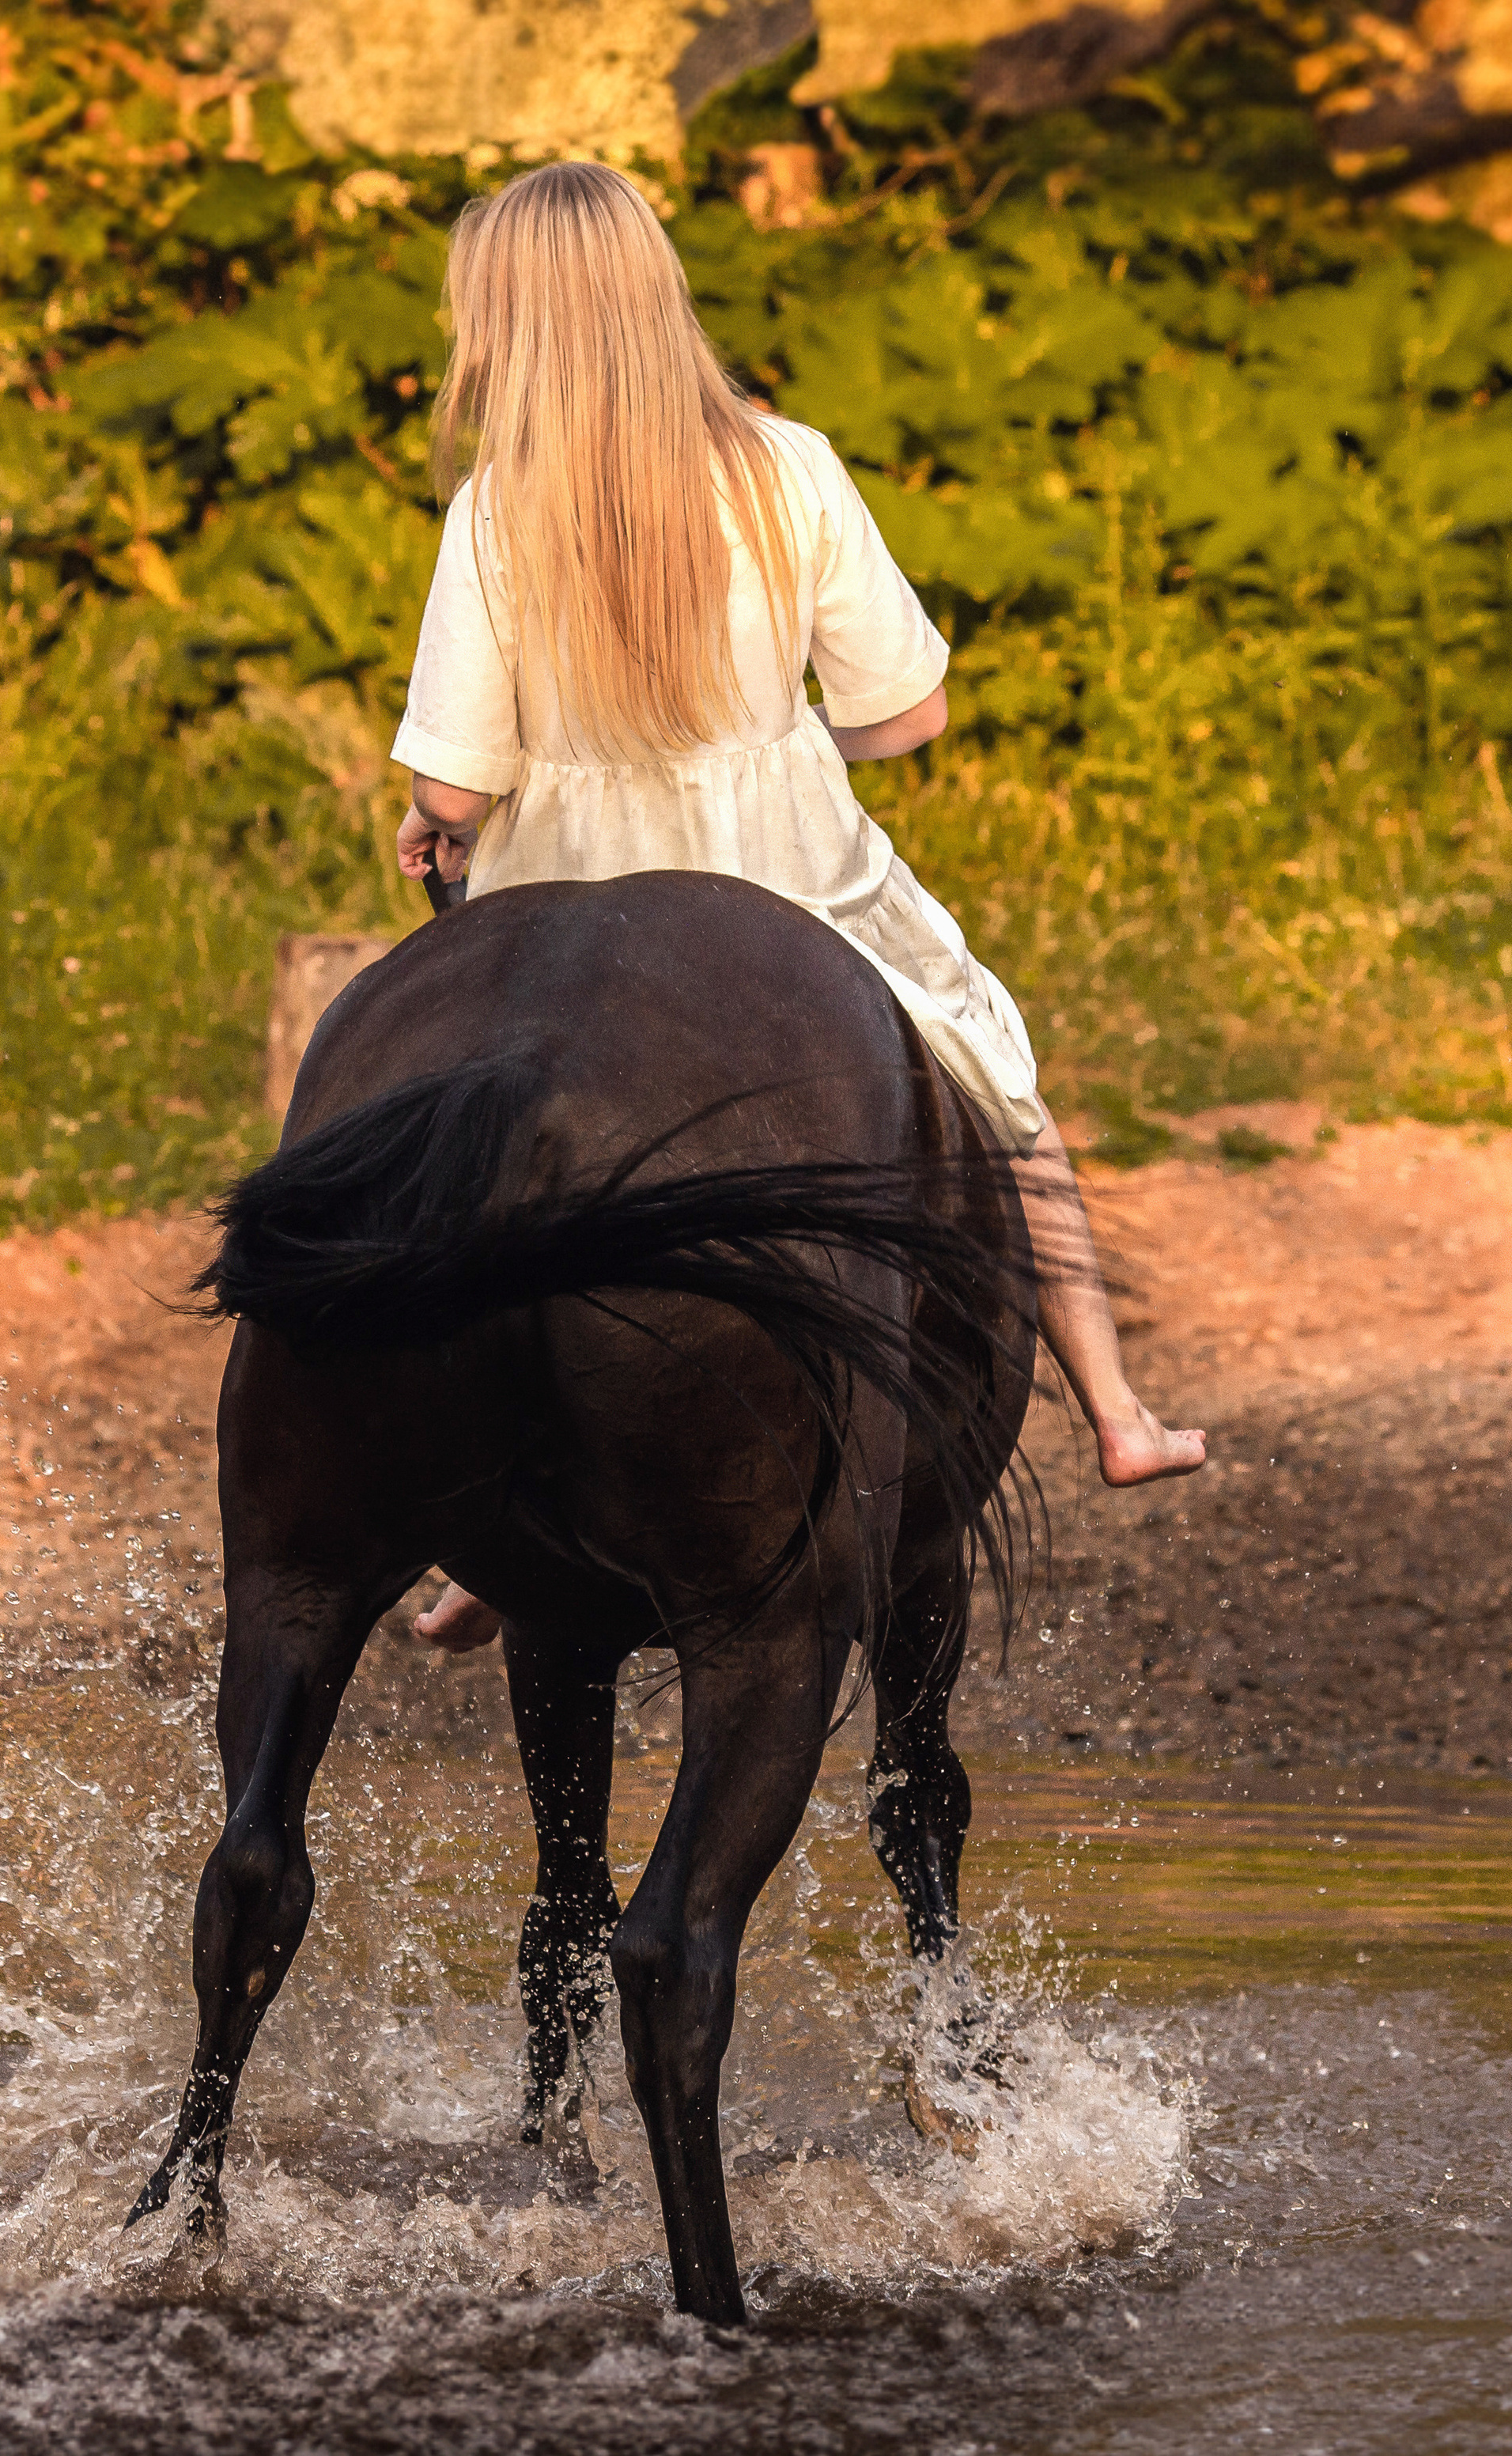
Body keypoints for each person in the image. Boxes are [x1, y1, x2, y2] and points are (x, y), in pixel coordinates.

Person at [387, 163, 1205, 1652]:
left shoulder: (497, 517)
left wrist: (431, 826)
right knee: (989, 1066)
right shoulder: (791, 468)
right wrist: (790, 749)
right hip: (791, 876)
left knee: (438, 1158)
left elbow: (454, 794)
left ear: (505, 327)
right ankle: (1118, 1403)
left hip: (579, 904)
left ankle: (473, 1531)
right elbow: (915, 710)